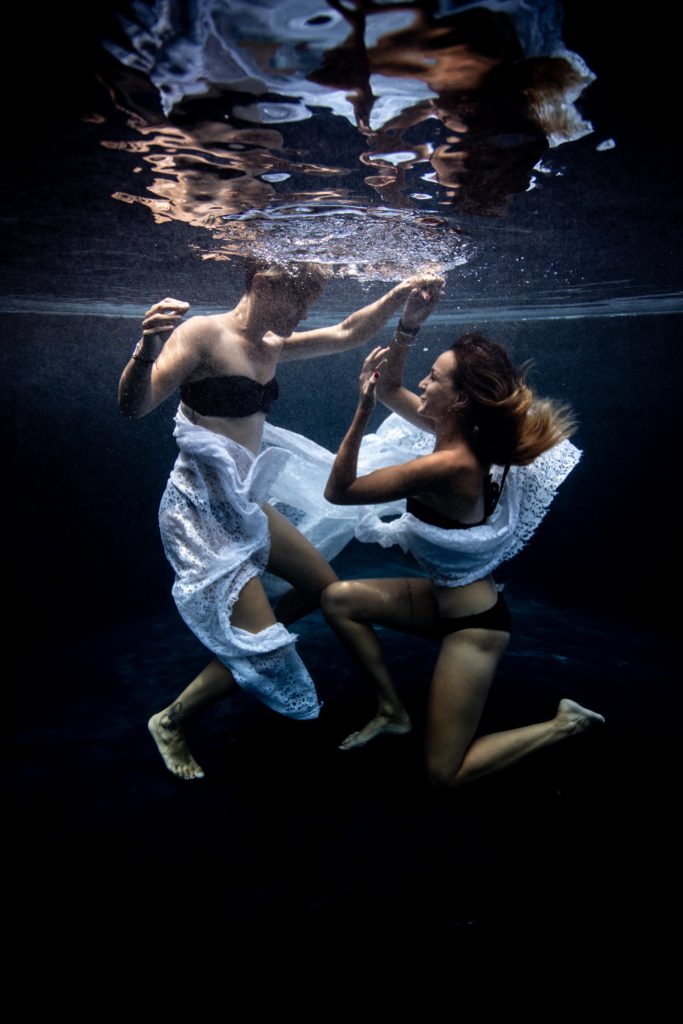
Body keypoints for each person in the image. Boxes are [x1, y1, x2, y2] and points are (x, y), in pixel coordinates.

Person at [118, 259, 443, 780]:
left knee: (326, 589)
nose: (303, 314)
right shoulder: (203, 334)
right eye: (297, 301)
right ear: (261, 283)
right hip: (203, 510)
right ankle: (171, 719)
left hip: (246, 503)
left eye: (308, 304)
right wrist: (147, 350)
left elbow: (346, 333)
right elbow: (134, 406)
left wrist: (402, 297)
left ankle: (256, 637)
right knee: (262, 647)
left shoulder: (269, 344)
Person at [322, 288, 604, 787]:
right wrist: (408, 326)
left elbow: (340, 491)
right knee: (339, 599)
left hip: (476, 627)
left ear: (459, 400)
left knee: (443, 774)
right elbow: (393, 388)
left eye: (435, 378)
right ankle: (393, 710)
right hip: (443, 601)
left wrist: (361, 409)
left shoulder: (449, 464)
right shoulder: (468, 438)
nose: (423, 383)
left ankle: (566, 724)